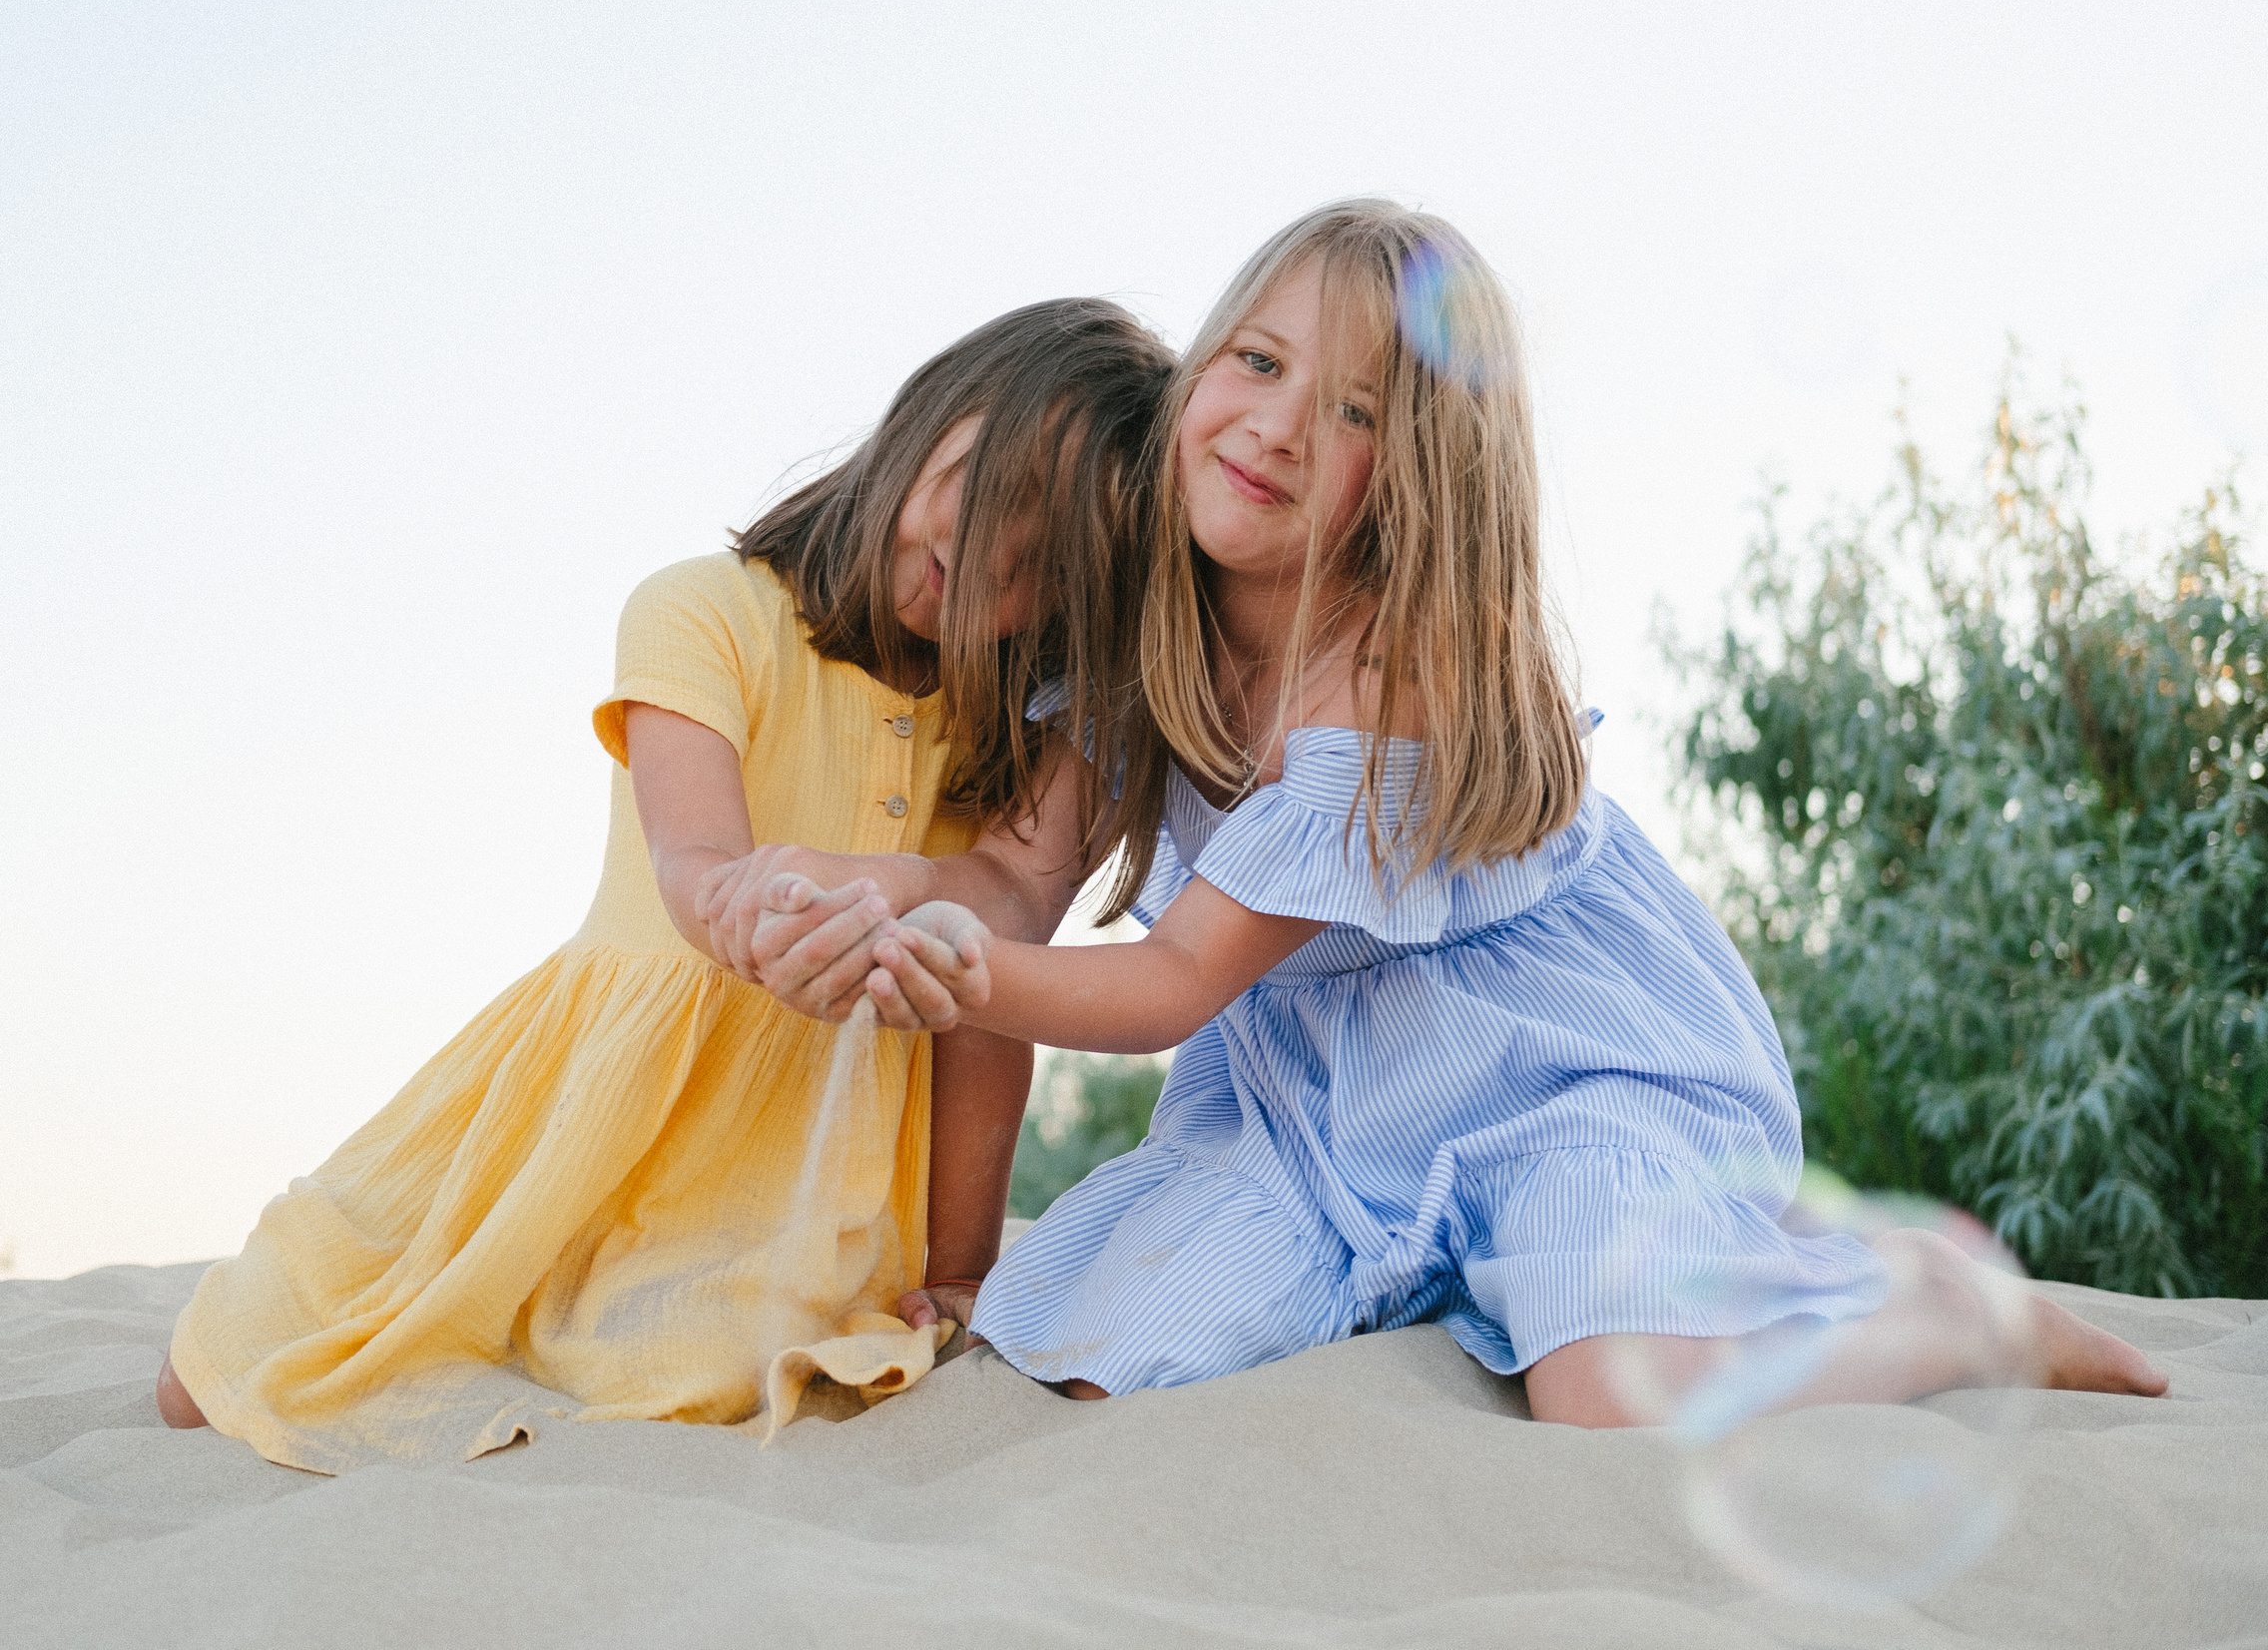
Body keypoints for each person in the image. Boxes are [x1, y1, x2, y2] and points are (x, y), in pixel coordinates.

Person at [756, 198, 2169, 1426]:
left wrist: (965, 975)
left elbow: (1176, 977)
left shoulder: (1389, 680)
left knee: (1606, 1392)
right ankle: (1433, 1275)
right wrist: (866, 889)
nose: (1277, 428)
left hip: (1562, 1071)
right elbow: (1013, 881)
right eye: (1258, 361)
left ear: (1422, 475)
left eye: (1357, 413)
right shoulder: (1139, 627)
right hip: (1308, 1093)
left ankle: (1949, 1316)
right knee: (1095, 1362)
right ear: (1199, 367)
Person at [157, 296, 1173, 1469]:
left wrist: (959, 1268)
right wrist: (754, 915)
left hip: (791, 1169)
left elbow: (990, 995)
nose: (994, 558)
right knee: (215, 1379)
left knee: (675, 1381)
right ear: (934, 415)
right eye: (999, 490)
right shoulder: (705, 608)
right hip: (579, 1115)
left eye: (1049, 567)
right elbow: (693, 860)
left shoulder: (1024, 729)